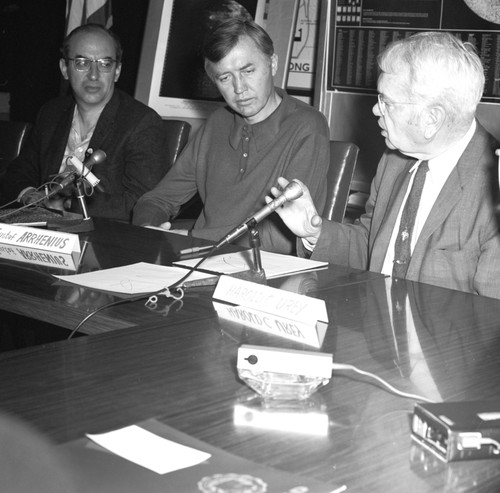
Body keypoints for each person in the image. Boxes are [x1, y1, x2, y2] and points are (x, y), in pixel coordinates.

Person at [269, 31, 500, 298]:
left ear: (431, 119)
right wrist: (314, 231)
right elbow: (371, 245)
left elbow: (490, 321)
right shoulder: (395, 160)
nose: (376, 110)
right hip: (375, 324)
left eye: (386, 102)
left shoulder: (493, 187)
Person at [132, 18, 330, 255]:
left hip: (265, 269)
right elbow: (158, 200)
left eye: (248, 71)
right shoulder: (217, 123)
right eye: (225, 78)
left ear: (273, 63)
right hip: (198, 261)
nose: (239, 88)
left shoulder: (307, 125)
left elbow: (283, 236)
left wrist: (193, 239)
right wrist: (148, 229)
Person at [0, 24, 170, 222]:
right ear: (64, 68)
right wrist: (30, 195)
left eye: (105, 64)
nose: (94, 74)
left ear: (117, 71)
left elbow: (143, 203)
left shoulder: (142, 123)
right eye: (82, 62)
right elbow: (18, 173)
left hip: (103, 239)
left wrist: (66, 202)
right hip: (43, 225)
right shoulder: (52, 113)